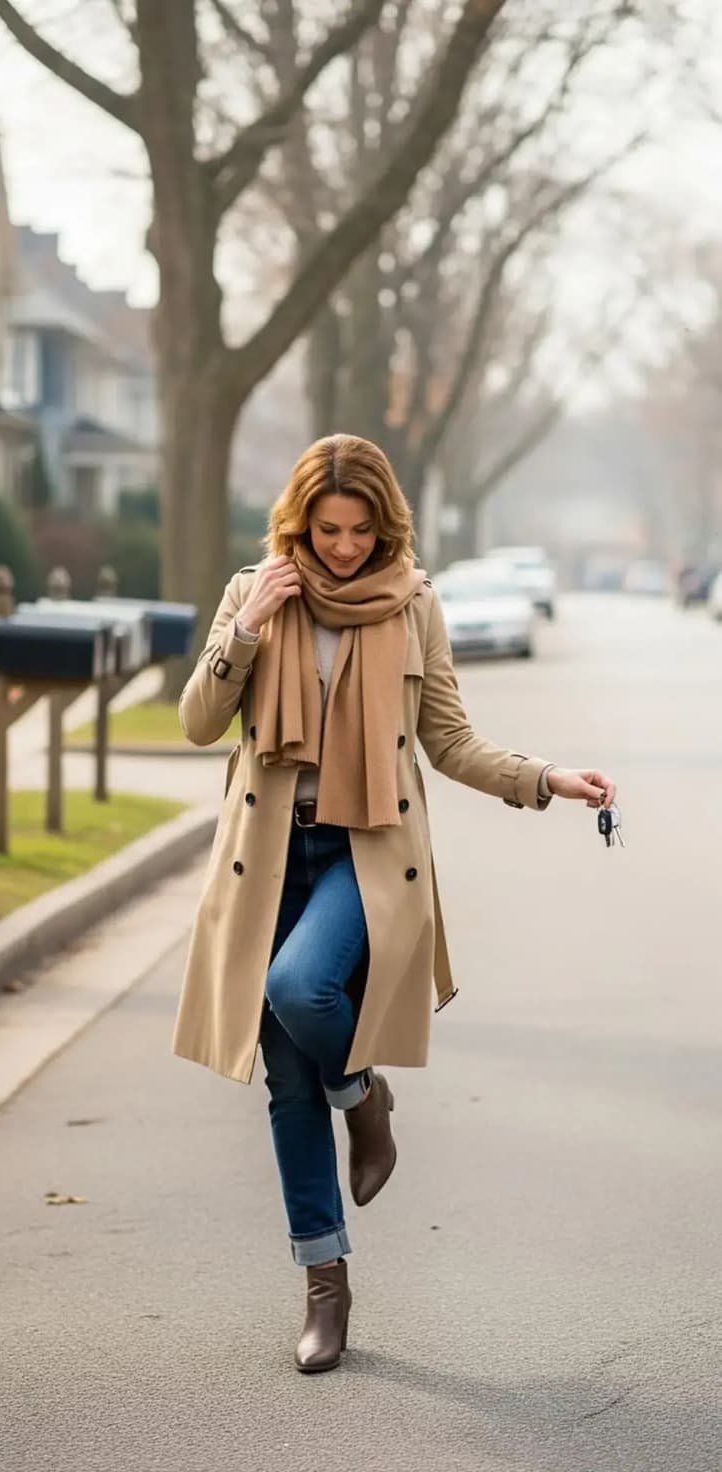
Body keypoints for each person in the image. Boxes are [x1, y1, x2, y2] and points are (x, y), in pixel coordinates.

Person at [172, 433, 616, 1374]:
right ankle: (325, 1287)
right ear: (300, 521)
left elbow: (449, 739)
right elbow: (198, 722)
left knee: (301, 987)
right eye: (326, 529)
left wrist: (546, 778)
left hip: (363, 855)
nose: (341, 548)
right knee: (286, 1084)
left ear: (385, 524)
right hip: (269, 855)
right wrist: (247, 626)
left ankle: (365, 1098)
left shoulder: (411, 604)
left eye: (359, 529)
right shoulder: (256, 590)